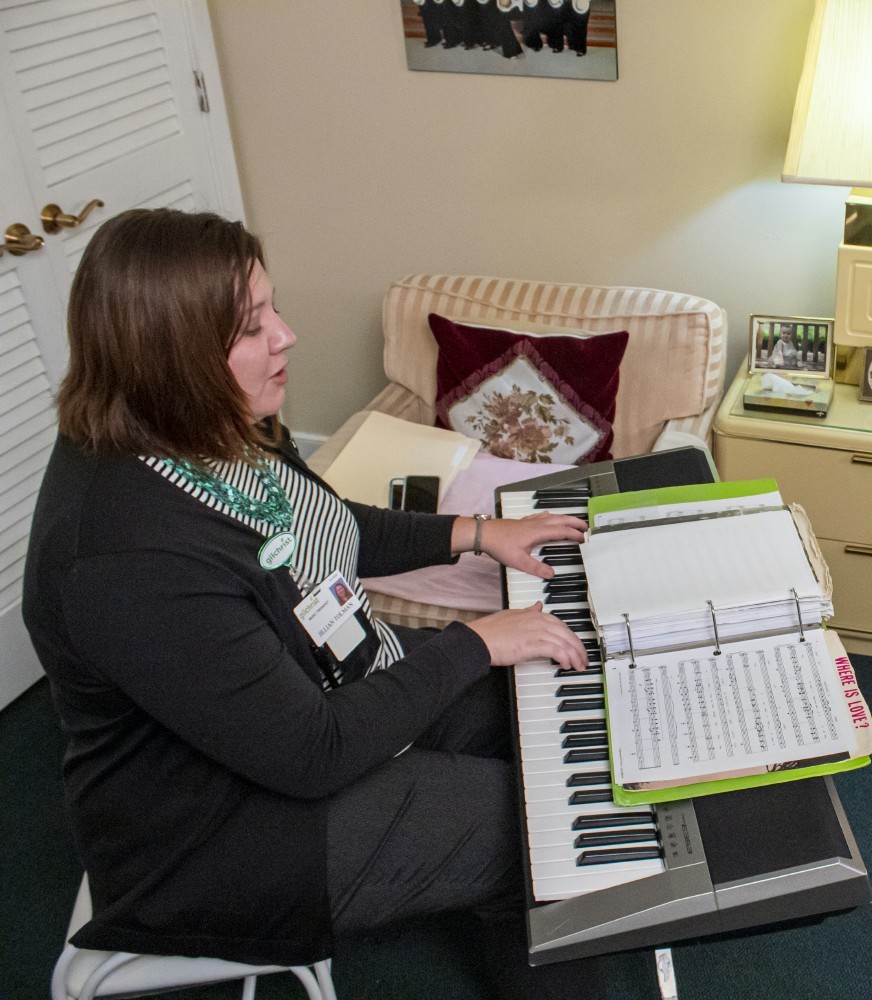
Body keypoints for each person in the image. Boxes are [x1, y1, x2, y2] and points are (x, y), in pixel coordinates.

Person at [23, 209, 598, 994]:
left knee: (550, 712)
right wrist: (478, 642)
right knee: (538, 820)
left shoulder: (213, 421)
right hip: (221, 825)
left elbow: (320, 523)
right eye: (252, 327)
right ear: (174, 356)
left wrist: (478, 532)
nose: (286, 336)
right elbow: (312, 752)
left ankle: (511, 914)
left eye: (273, 308)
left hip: (315, 686)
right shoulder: (126, 558)